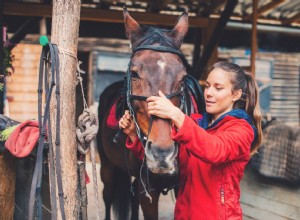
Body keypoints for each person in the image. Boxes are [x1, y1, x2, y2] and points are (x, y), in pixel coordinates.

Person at [119, 61, 262, 220]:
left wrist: (176, 115)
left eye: (218, 88)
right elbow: (166, 158)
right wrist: (133, 135)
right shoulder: (194, 123)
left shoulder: (241, 130)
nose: (208, 93)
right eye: (207, 86)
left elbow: (214, 151)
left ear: (236, 94)